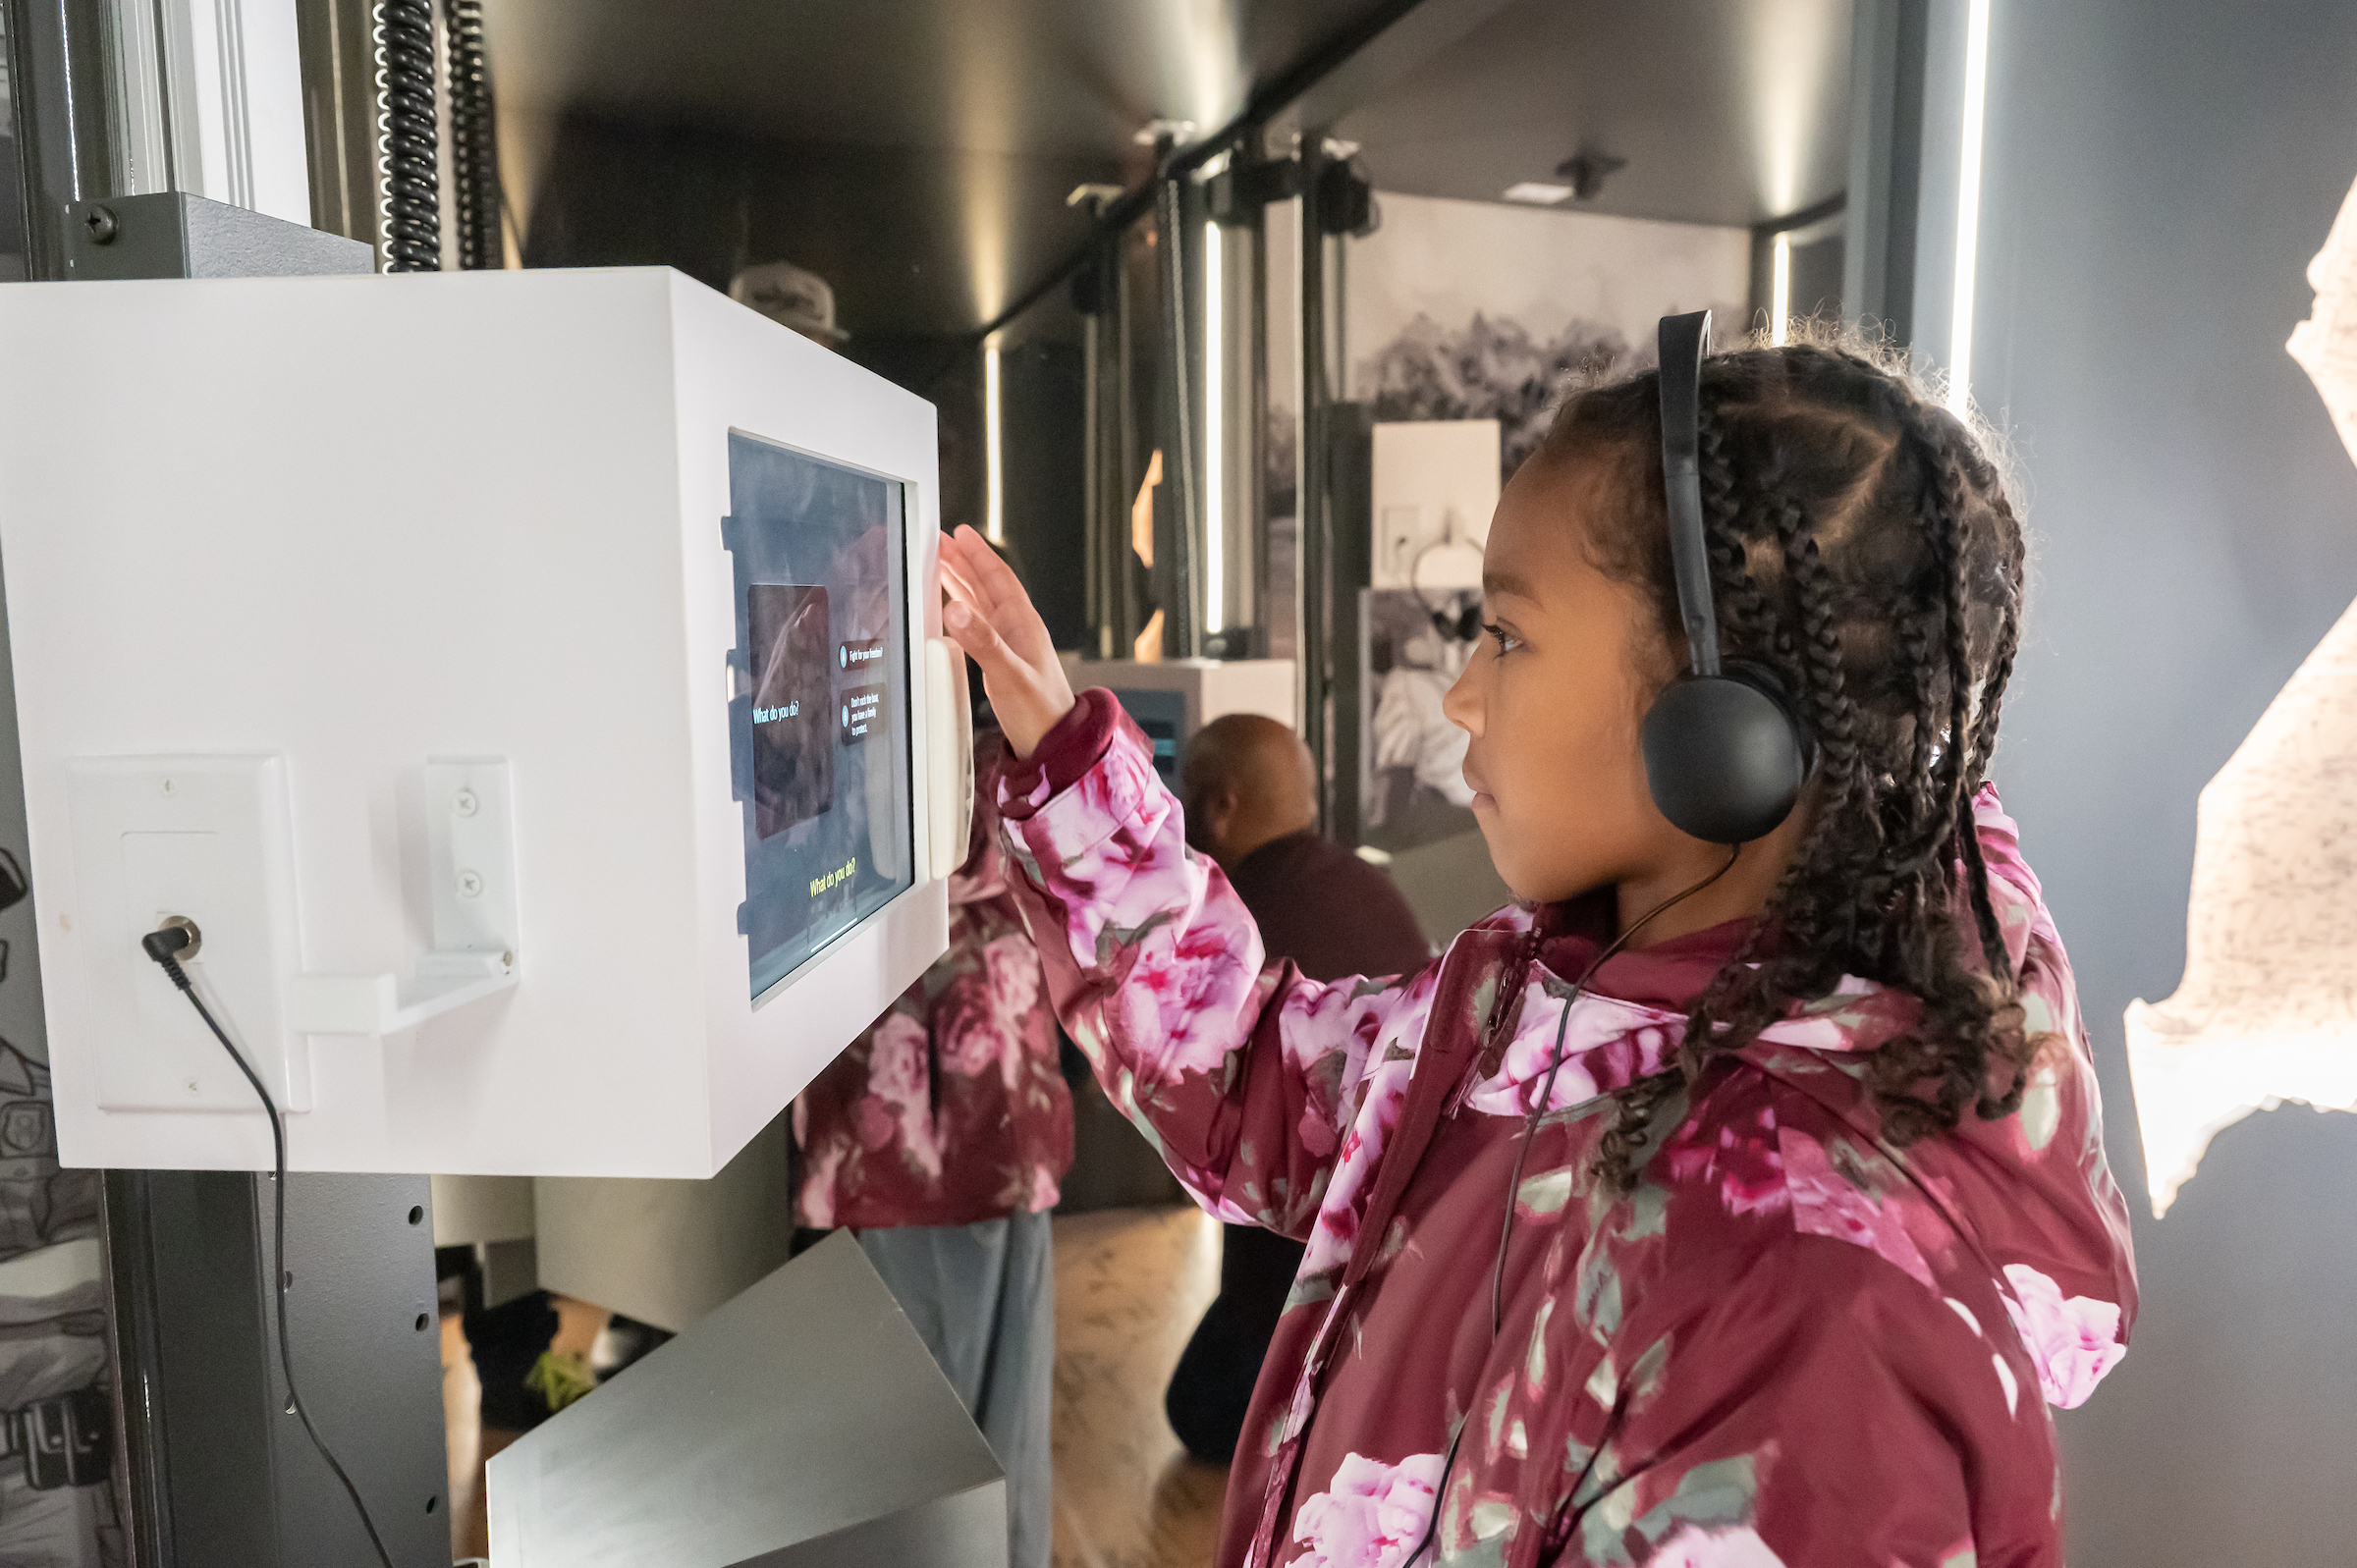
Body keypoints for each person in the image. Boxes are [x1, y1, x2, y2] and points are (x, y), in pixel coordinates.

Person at [942, 329, 2137, 1567]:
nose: (1462, 695)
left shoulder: (1817, 1311)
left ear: (1719, 724)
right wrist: (1055, 744)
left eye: (1505, 634)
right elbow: (1254, 1076)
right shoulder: (1540, 1006)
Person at [790, 726, 1071, 1568]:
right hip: (945, 1123)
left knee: (928, 1421)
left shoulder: (851, 737)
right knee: (974, 1418)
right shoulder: (971, 749)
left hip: (927, 1123)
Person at [1164, 714, 1430, 1463]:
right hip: (1404, 1283)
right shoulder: (1372, 886)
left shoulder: (1235, 925)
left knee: (1194, 1411)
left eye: (1188, 799)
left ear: (1220, 806)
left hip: (1299, 1299)